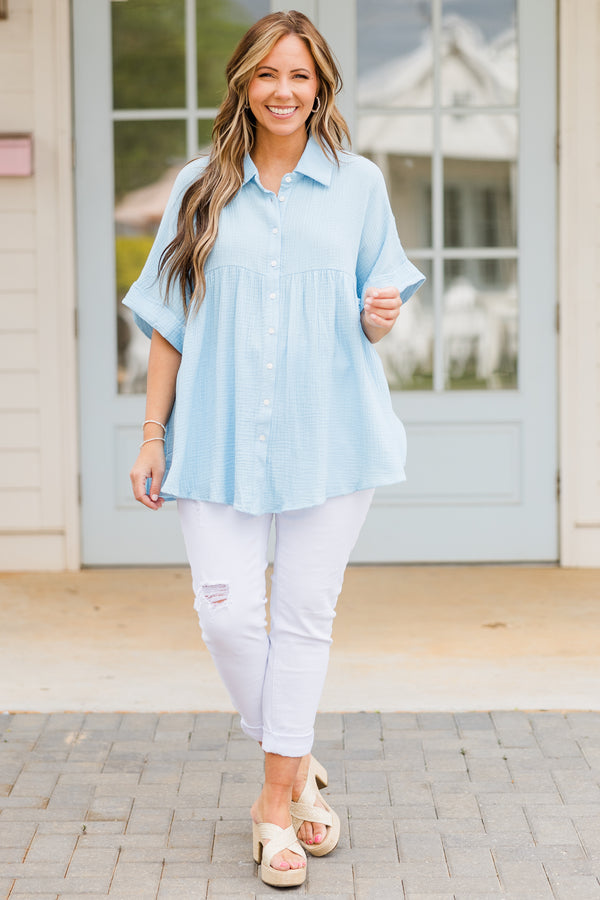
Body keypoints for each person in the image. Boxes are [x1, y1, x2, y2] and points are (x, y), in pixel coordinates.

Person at [125, 9, 424, 888]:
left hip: (330, 436)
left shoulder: (359, 185)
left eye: (299, 75)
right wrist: (151, 435)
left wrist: (377, 318)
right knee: (224, 614)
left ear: (320, 84)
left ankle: (271, 808)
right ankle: (299, 764)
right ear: (243, 86)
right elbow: (168, 324)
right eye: (267, 75)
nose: (283, 91)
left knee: (302, 622)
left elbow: (377, 303)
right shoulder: (198, 186)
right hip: (212, 439)